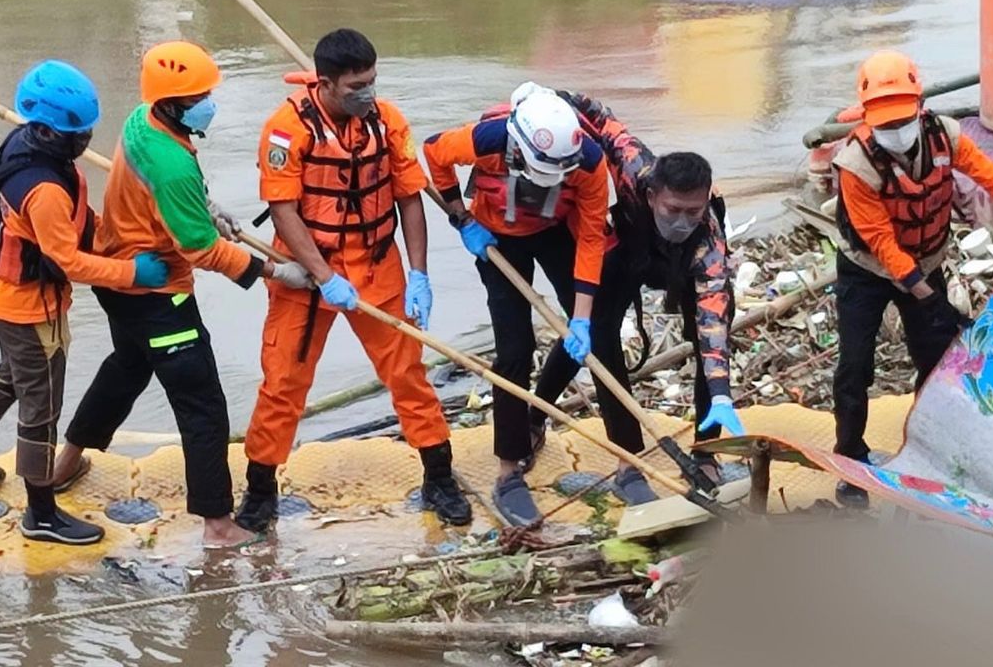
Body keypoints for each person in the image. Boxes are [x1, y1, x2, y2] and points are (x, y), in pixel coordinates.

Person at [52, 41, 313, 548]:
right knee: (204, 407)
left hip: (117, 278)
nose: (207, 104)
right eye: (199, 97)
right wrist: (277, 271)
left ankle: (65, 464)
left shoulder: (140, 120)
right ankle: (218, 526)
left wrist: (204, 204)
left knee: (126, 369)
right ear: (172, 103)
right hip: (155, 293)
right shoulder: (172, 163)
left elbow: (168, 199)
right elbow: (200, 250)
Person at [237, 28, 471, 531]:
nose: (367, 94)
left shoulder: (387, 122)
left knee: (408, 374)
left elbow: (410, 197)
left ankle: (439, 477)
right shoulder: (286, 130)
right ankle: (260, 491)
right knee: (283, 383)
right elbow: (283, 211)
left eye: (372, 82)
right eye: (355, 87)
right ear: (324, 84)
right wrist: (324, 277)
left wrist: (419, 273)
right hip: (305, 273)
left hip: (376, 264)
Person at [832, 51, 993, 509]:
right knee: (854, 368)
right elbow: (882, 244)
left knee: (935, 361)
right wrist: (933, 302)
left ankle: (928, 450)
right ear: (868, 118)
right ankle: (850, 459)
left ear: (920, 106)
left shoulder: (945, 136)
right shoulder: (856, 165)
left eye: (900, 121)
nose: (894, 132)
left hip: (926, 260)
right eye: (883, 125)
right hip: (866, 271)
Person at [0, 60, 168, 545]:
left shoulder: (22, 147)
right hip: (29, 308)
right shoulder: (41, 189)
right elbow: (71, 265)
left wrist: (111, 231)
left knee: (10, 375)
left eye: (85, 132)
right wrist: (132, 271)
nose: (83, 142)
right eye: (75, 134)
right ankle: (40, 512)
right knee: (41, 406)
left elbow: (74, 218)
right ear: (47, 130)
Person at [530, 91, 741, 504]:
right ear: (651, 195)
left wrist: (721, 393)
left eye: (692, 212)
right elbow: (599, 120)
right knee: (592, 331)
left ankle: (707, 451)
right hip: (631, 250)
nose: (682, 221)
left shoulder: (710, 250)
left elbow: (713, 329)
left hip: (683, 267)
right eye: (673, 209)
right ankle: (547, 422)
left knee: (708, 347)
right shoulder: (633, 167)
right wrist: (549, 100)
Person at [423, 82, 610, 526]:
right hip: (495, 235)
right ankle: (509, 470)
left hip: (553, 230)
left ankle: (537, 411)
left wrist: (581, 319)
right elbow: (433, 152)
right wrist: (459, 216)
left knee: (589, 330)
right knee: (514, 350)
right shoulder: (488, 139)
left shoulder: (587, 160)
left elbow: (590, 237)